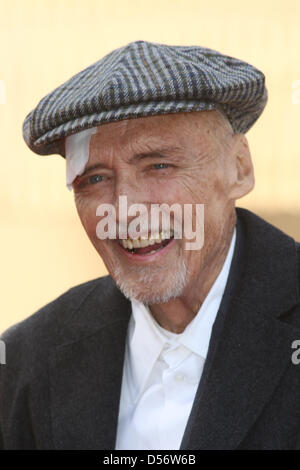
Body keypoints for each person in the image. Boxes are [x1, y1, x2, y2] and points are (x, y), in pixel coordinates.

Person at [0, 40, 300, 450]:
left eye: (159, 165)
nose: (126, 211)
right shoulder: (24, 362)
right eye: (95, 179)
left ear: (239, 169)